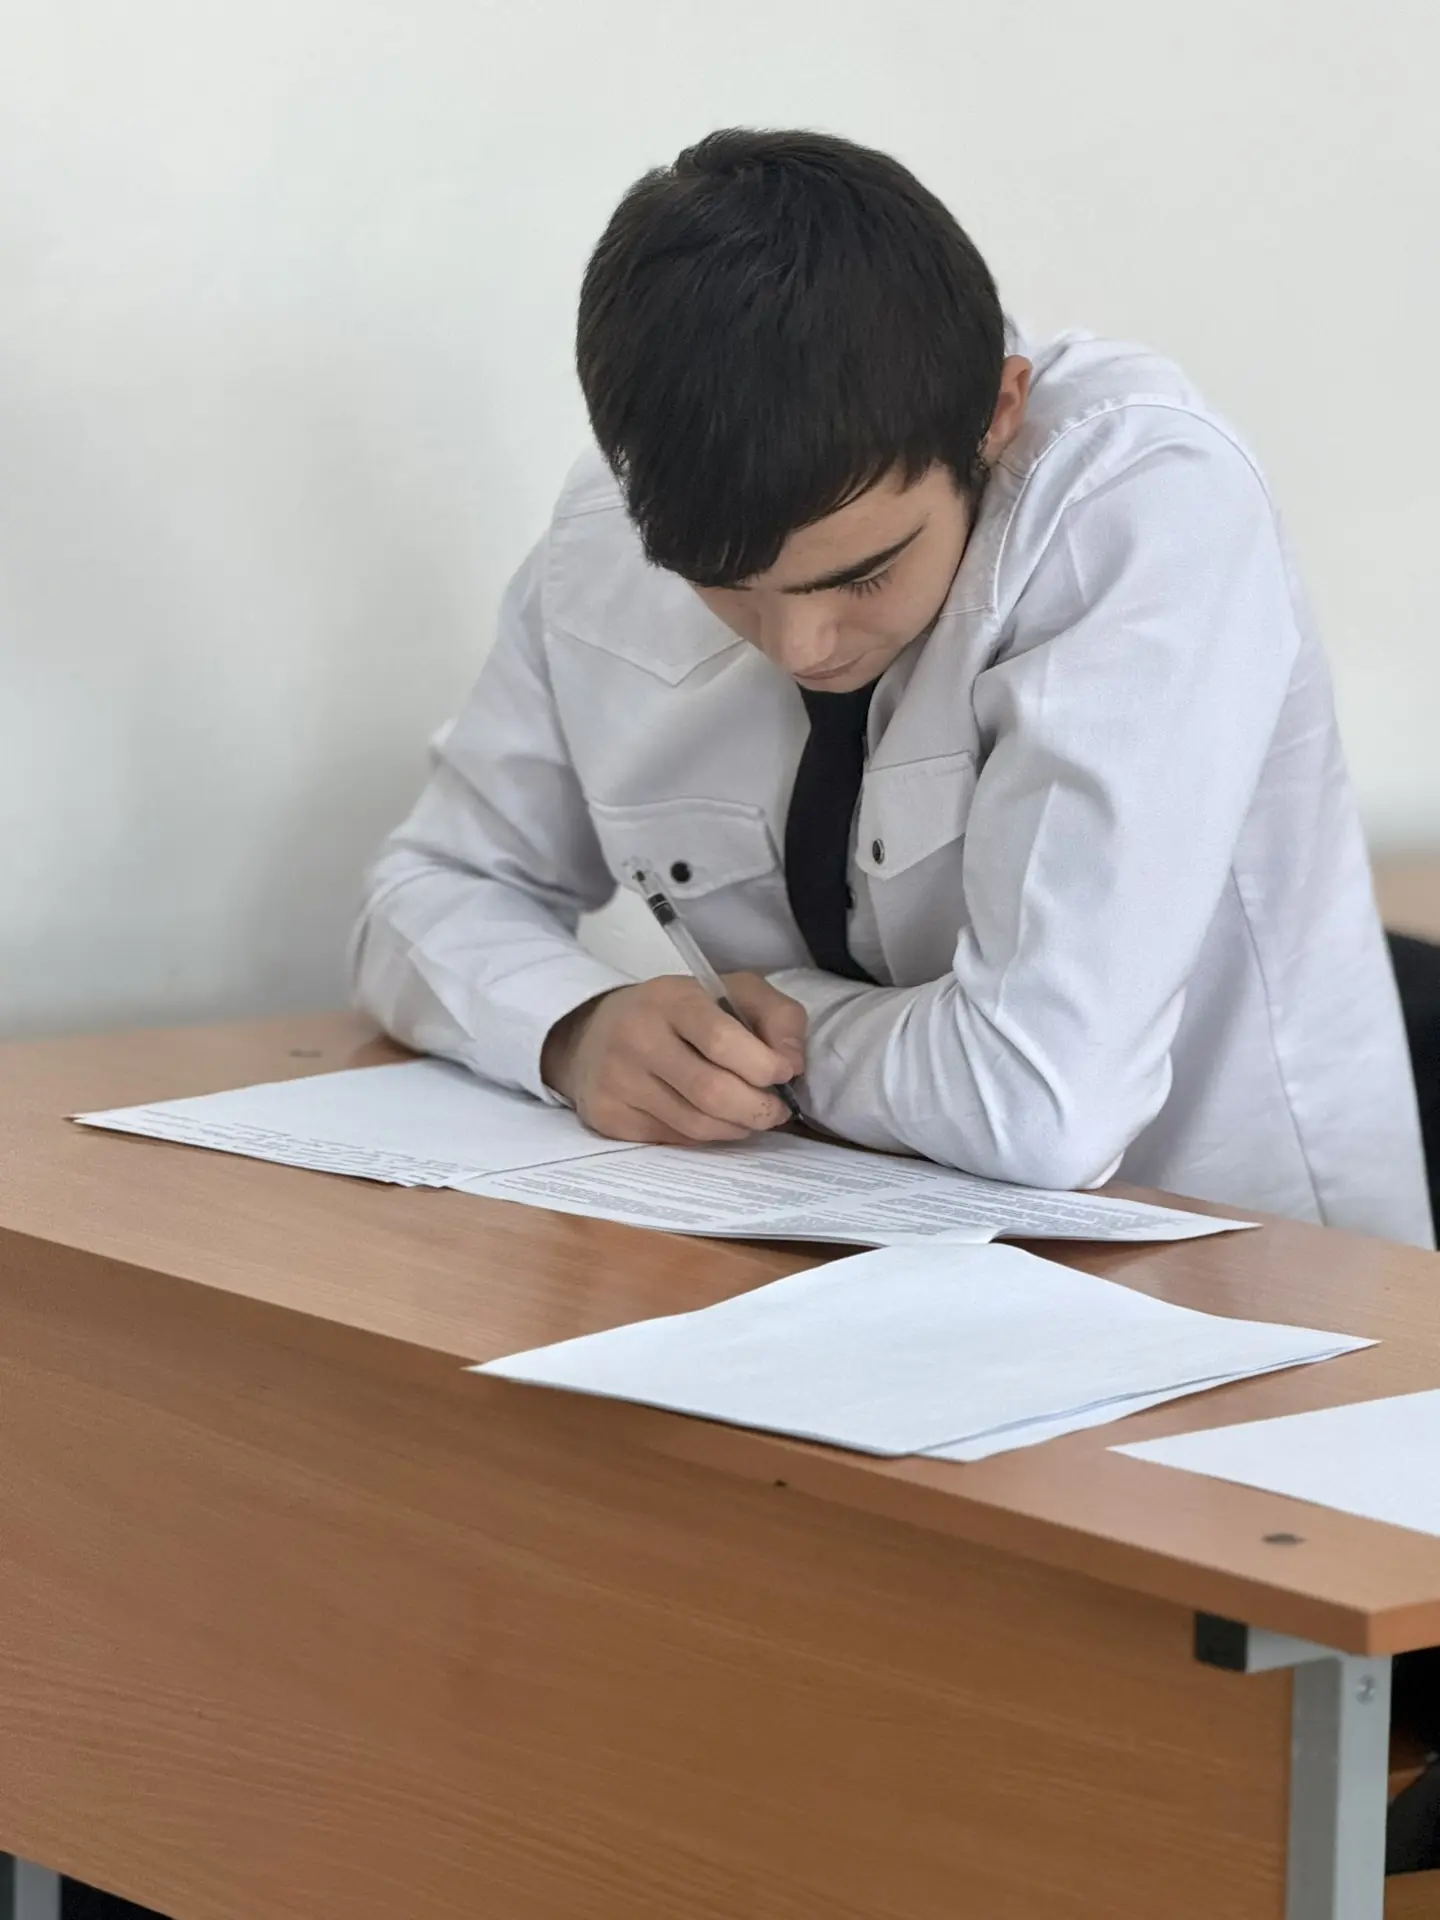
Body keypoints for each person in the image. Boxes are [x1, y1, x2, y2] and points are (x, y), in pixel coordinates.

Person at [353, 127, 1431, 1249]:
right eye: (726, 587)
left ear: (999, 413)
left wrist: (754, 1028)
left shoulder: (1140, 498)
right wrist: (578, 1028)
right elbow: (426, 890)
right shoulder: (610, 537)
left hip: (1239, 1265)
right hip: (826, 1244)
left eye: (861, 574)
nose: (800, 644)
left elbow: (1042, 1102)